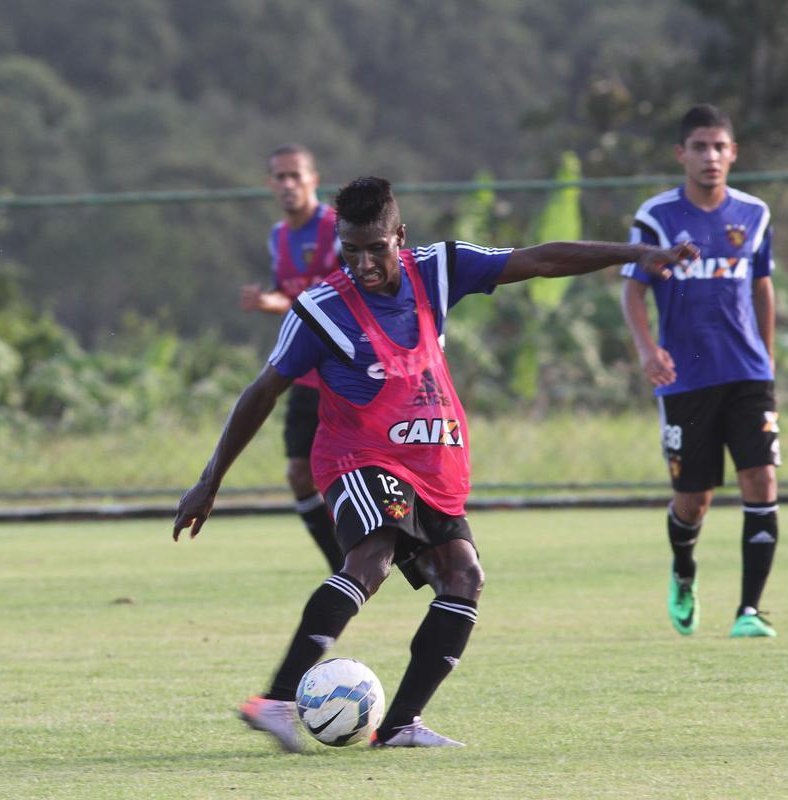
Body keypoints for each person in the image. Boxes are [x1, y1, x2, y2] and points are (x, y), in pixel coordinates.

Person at [176, 176, 694, 751]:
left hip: (431, 463)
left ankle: (397, 726)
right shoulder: (322, 309)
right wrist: (209, 481)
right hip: (357, 459)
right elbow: (262, 391)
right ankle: (274, 701)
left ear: (401, 235)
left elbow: (541, 260)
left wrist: (639, 252)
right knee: (372, 557)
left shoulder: (440, 268)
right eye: (351, 250)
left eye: (377, 247)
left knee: (464, 577)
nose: (364, 263)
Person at [620, 104, 781, 639]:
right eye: (700, 147)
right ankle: (684, 571)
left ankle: (749, 612)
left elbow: (761, 285)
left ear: (733, 153)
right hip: (685, 378)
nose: (710, 157)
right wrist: (647, 350)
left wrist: (768, 356)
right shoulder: (657, 217)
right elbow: (633, 290)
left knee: (761, 479)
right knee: (694, 500)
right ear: (681, 155)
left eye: (719, 147)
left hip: (747, 374)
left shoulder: (754, 214)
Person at [238, 144, 343, 572]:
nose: (288, 184)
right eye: (280, 177)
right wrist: (268, 301)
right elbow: (296, 298)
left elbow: (351, 290)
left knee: (366, 471)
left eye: (295, 176)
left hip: (353, 372)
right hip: (307, 374)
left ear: (314, 180)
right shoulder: (278, 236)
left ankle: (417, 552)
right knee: (300, 476)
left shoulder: (339, 228)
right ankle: (344, 569)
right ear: (270, 184)